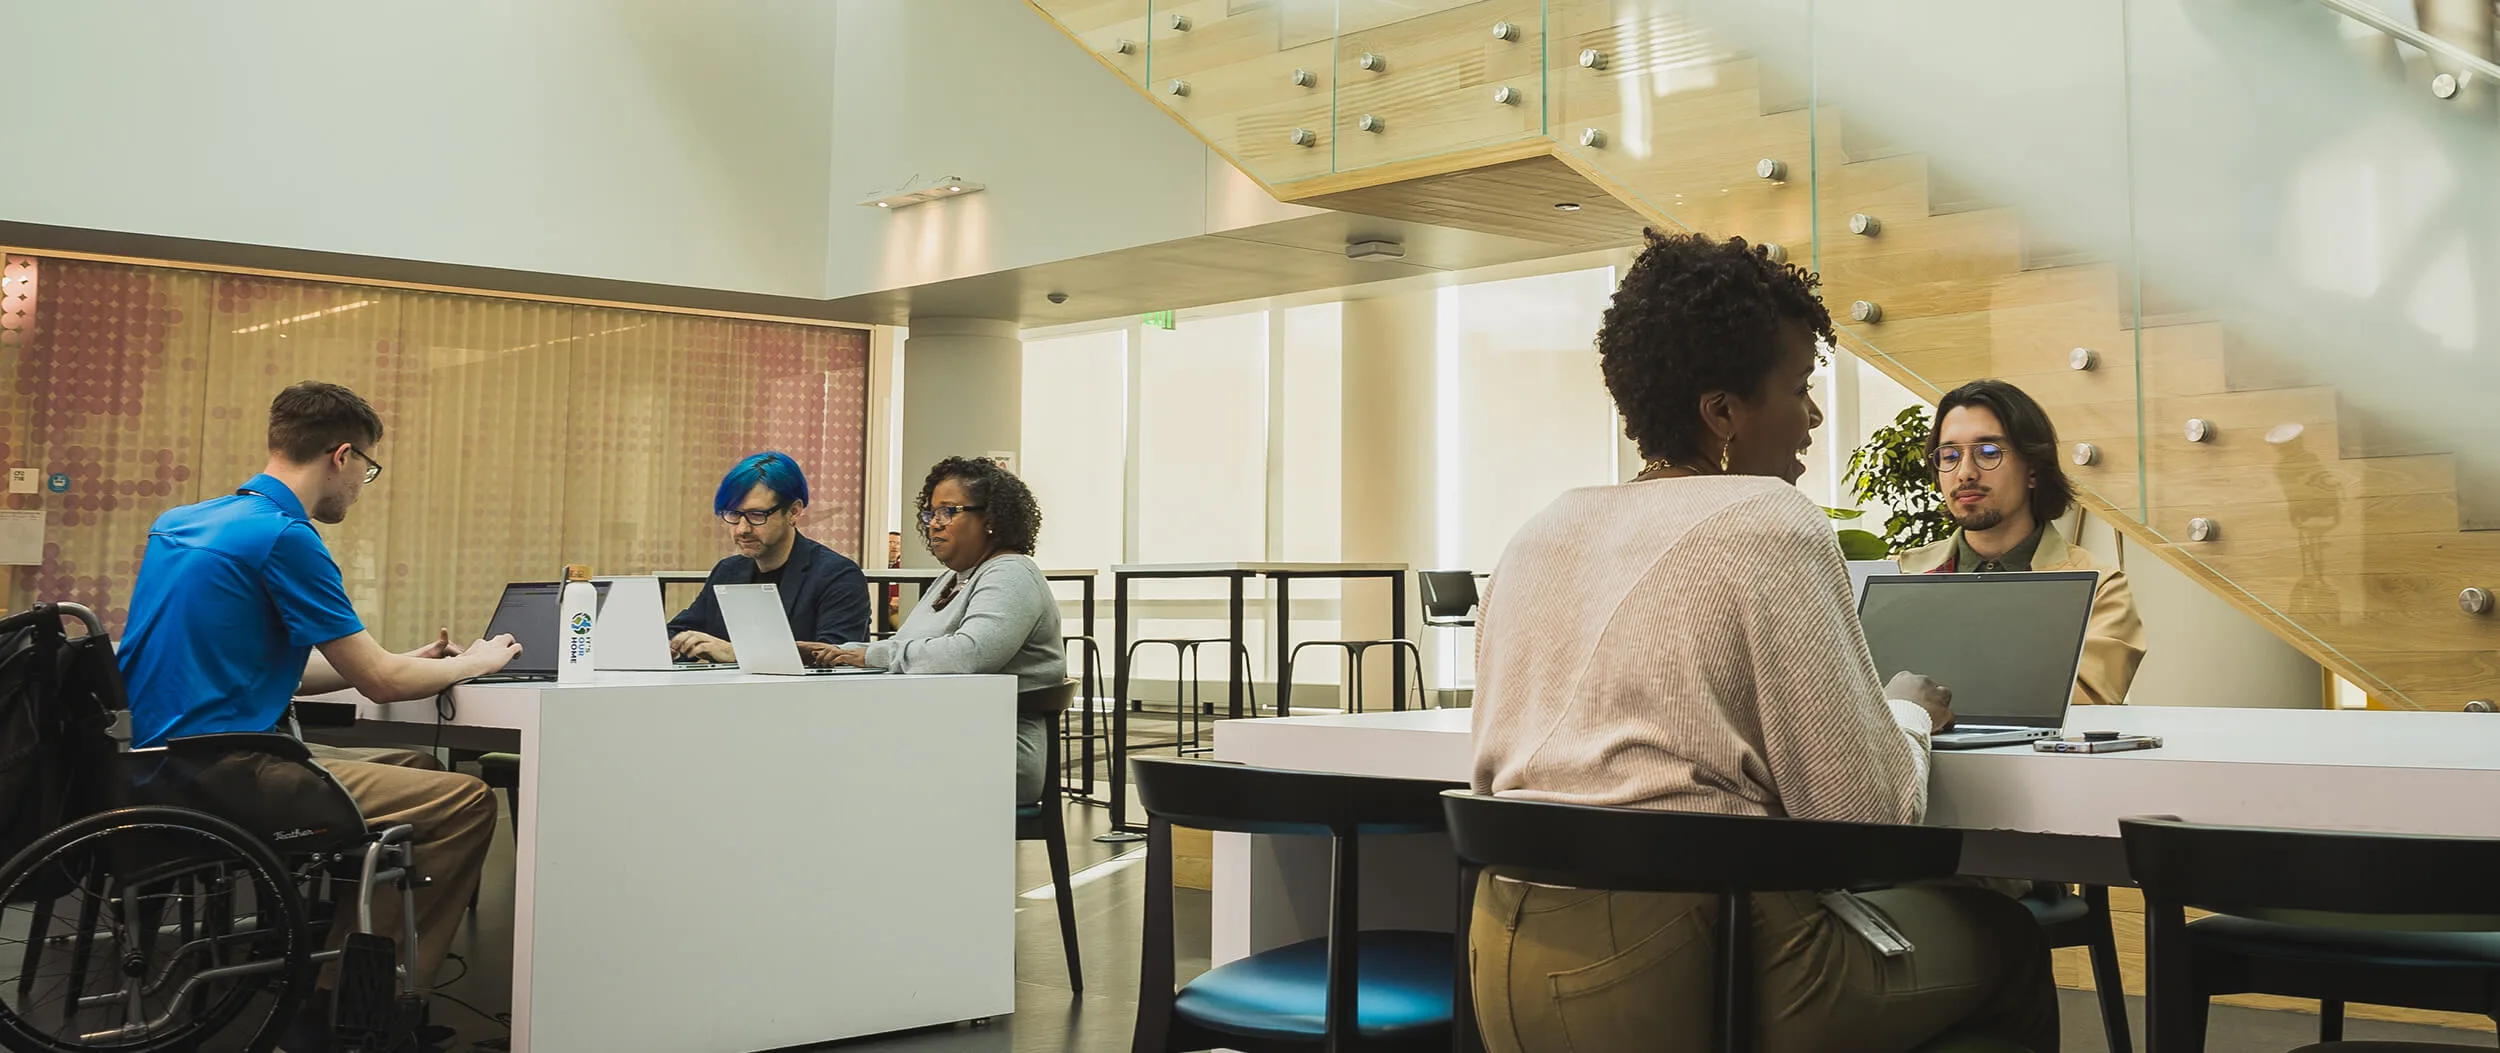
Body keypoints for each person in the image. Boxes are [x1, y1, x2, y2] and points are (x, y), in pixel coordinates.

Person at [1468, 232, 2058, 1053]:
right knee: (2008, 942)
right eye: (1798, 386)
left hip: (1504, 966)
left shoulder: (1536, 533)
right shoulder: (1767, 520)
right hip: (1688, 971)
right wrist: (1907, 712)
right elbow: (1867, 815)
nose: (1814, 413)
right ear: (1723, 414)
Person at [116, 381, 520, 1034]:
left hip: (156, 768)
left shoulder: (183, 523)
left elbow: (275, 667)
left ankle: (349, 972)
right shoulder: (284, 537)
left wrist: (413, 659)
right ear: (342, 456)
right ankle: (358, 1012)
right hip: (228, 776)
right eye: (368, 467)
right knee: (465, 801)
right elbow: (381, 682)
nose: (363, 483)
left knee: (417, 764)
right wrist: (474, 663)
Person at [824, 457, 1064, 803]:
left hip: (999, 750)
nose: (934, 525)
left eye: (948, 512)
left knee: (843, 763)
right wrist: (842, 651)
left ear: (991, 518)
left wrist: (870, 655)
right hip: (945, 734)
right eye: (930, 513)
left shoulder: (1011, 574)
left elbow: (969, 654)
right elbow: (908, 648)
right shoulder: (953, 579)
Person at [1898, 379, 2147, 707]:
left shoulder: (2099, 587)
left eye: (1988, 453)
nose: (1965, 473)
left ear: (2033, 469)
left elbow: (2085, 702)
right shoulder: (1901, 575)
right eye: (1949, 455)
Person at [666, 451, 871, 662]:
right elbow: (678, 632)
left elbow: (835, 658)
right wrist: (676, 645)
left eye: (757, 515)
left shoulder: (837, 576)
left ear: (793, 512)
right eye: (733, 515)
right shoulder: (728, 571)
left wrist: (738, 654)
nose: (742, 529)